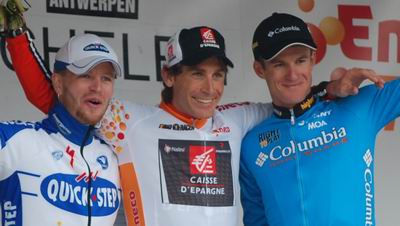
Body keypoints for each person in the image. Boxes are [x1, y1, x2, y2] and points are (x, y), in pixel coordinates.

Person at [2, 4, 384, 225]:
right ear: (169, 75)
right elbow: (53, 96)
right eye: (197, 74)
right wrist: (17, 34)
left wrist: (329, 90)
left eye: (218, 75)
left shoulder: (236, 120)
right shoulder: (127, 121)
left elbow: (292, 99)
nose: (210, 88)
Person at [239, 12, 397, 226]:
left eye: (300, 60)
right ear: (260, 69)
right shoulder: (252, 146)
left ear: (313, 59)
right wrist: (326, 89)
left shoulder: (359, 106)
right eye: (279, 65)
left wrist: (326, 91)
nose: (292, 75)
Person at [0, 33, 122, 225]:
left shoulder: (116, 155)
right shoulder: (15, 141)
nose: (97, 87)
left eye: (106, 78)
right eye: (86, 75)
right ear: (58, 82)